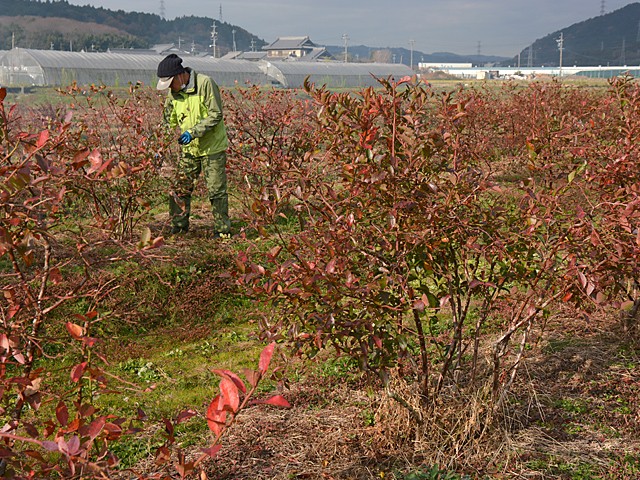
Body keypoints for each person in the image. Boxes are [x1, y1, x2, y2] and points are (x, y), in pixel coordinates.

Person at [156, 53, 231, 238]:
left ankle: (222, 231)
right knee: (180, 188)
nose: (170, 87)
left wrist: (193, 132)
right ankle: (179, 227)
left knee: (216, 190)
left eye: (171, 82)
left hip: (212, 147)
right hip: (189, 150)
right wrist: (160, 145)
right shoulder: (173, 94)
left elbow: (215, 114)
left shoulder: (205, 84)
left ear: (180, 75)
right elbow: (168, 121)